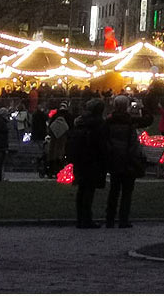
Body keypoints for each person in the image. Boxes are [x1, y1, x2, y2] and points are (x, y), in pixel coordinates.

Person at [103, 96, 143, 228]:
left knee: (114, 190)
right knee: (127, 192)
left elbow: (106, 139)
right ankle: (123, 219)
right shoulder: (130, 122)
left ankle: (110, 218)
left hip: (114, 158)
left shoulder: (109, 121)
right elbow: (133, 143)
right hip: (127, 159)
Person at [68, 98, 108, 230]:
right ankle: (87, 219)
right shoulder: (98, 124)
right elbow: (101, 144)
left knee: (82, 189)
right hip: (92, 159)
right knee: (89, 190)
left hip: (80, 159)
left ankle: (81, 218)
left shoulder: (80, 122)